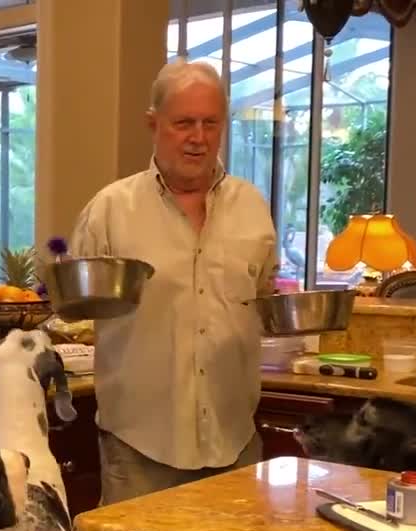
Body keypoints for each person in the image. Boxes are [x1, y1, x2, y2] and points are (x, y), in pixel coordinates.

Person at [66, 59, 280, 505]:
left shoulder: (253, 207)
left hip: (234, 446)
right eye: (184, 123)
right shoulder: (109, 210)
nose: (198, 138)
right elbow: (74, 311)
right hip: (139, 450)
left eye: (210, 123)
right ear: (153, 123)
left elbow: (265, 301)